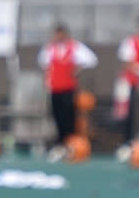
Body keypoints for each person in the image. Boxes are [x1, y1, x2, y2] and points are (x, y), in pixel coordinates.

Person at [37, 23, 98, 157]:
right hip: (55, 88)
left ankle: (72, 143)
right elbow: (43, 63)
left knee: (69, 117)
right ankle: (60, 144)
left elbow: (92, 59)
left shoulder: (74, 47)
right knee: (57, 116)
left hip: (69, 88)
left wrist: (78, 69)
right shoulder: (49, 49)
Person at [116, 14, 139, 146]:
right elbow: (127, 63)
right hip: (133, 83)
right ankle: (128, 142)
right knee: (131, 114)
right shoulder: (130, 42)